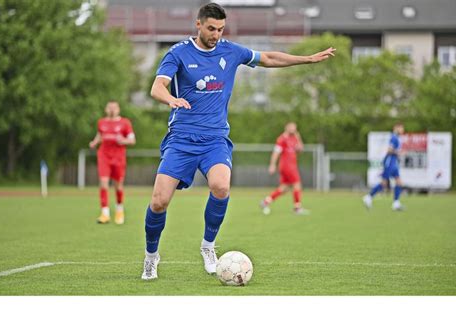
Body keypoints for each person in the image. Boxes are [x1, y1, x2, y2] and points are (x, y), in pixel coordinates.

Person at [142, 3, 335, 280]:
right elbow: (157, 86)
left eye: (220, 29)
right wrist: (171, 98)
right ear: (198, 25)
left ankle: (208, 247)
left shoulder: (231, 51)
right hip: (181, 139)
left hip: (215, 139)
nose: (216, 34)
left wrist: (307, 59)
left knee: (221, 186)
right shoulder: (178, 53)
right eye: (211, 28)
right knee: (159, 201)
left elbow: (268, 58)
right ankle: (151, 257)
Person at [89, 101, 136, 225]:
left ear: (118, 109)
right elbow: (100, 135)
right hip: (104, 156)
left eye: (114, 108)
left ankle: (119, 210)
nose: (112, 110)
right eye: (109, 107)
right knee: (103, 183)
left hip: (118, 157)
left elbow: (132, 140)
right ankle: (105, 213)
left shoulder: (125, 123)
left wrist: (124, 141)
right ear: (106, 109)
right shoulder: (101, 122)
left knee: (118, 186)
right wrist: (94, 142)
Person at [259, 122, 308, 215]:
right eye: (291, 127)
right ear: (287, 128)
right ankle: (297, 208)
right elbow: (276, 152)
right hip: (287, 166)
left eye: (295, 128)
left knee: (284, 188)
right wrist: (272, 164)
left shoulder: (294, 138)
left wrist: (298, 137)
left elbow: (300, 149)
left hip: (292, 166)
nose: (293, 129)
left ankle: (266, 202)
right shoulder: (282, 139)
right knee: (297, 184)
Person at [363, 123, 405, 211]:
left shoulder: (397, 138)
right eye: (401, 128)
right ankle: (368, 197)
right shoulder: (394, 138)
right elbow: (389, 150)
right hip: (389, 163)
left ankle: (396, 203)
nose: (402, 130)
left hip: (393, 163)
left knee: (399, 182)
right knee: (384, 184)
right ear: (396, 128)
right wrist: (399, 153)